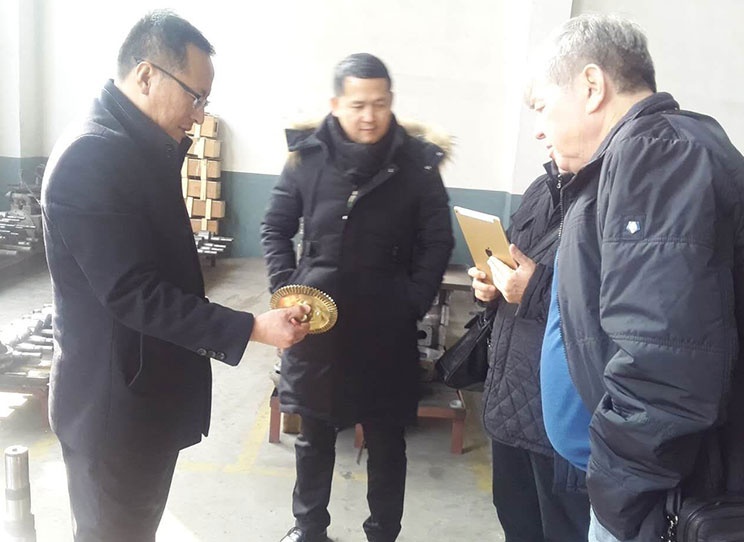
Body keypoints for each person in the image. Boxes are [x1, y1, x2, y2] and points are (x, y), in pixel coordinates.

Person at [41, 11, 310, 542]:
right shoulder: (92, 156)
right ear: (146, 75)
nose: (200, 114)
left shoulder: (133, 149)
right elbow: (133, 294)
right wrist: (251, 328)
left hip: (141, 398)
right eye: (196, 96)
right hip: (112, 409)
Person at [526, 13, 744, 542]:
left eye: (543, 106)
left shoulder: (657, 157)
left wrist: (621, 494)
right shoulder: (631, 159)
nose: (539, 127)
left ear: (592, 86)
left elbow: (663, 364)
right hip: (644, 486)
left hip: (655, 496)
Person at [261, 53, 454, 542]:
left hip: (386, 327)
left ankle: (383, 533)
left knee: (387, 440)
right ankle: (309, 529)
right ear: (335, 104)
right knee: (314, 434)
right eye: (358, 105)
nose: (370, 116)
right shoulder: (306, 159)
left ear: (391, 102)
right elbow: (275, 227)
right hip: (316, 325)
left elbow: (437, 241)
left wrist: (411, 302)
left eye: (380, 104)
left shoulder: (417, 165)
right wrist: (287, 291)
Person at [468, 162, 590, 542]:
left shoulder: (610, 196)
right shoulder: (542, 188)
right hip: (510, 399)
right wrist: (490, 287)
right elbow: (512, 262)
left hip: (560, 416)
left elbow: (610, 301)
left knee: (564, 529)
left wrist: (534, 289)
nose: (541, 134)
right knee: (516, 521)